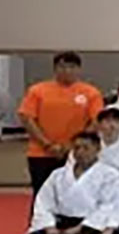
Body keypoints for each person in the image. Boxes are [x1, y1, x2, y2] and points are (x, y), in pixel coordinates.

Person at [2, 132, 119, 234]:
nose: (80, 152)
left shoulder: (110, 175)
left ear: (98, 149)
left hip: (87, 226)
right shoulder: (58, 175)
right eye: (76, 148)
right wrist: (49, 227)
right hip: (59, 223)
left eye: (86, 148)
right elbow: (43, 203)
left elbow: (107, 206)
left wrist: (79, 228)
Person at [17, 52, 103, 200]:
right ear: (55, 68)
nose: (67, 71)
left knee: (74, 194)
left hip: (76, 154)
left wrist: (72, 146)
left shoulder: (90, 93)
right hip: (41, 153)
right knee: (42, 194)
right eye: (62, 67)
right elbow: (27, 117)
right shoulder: (37, 91)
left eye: (71, 67)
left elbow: (96, 121)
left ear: (78, 69)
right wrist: (47, 145)